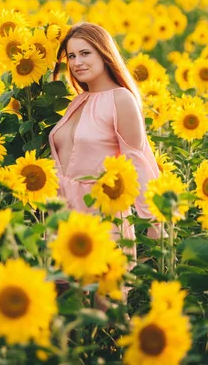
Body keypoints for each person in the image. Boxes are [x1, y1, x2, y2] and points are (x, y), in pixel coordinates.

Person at [49, 22, 162, 270]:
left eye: (85, 53)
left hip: (101, 218)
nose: (77, 62)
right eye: (71, 56)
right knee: (63, 304)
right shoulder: (77, 101)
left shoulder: (121, 99)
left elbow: (139, 166)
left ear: (104, 52)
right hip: (61, 219)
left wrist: (154, 235)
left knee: (106, 304)